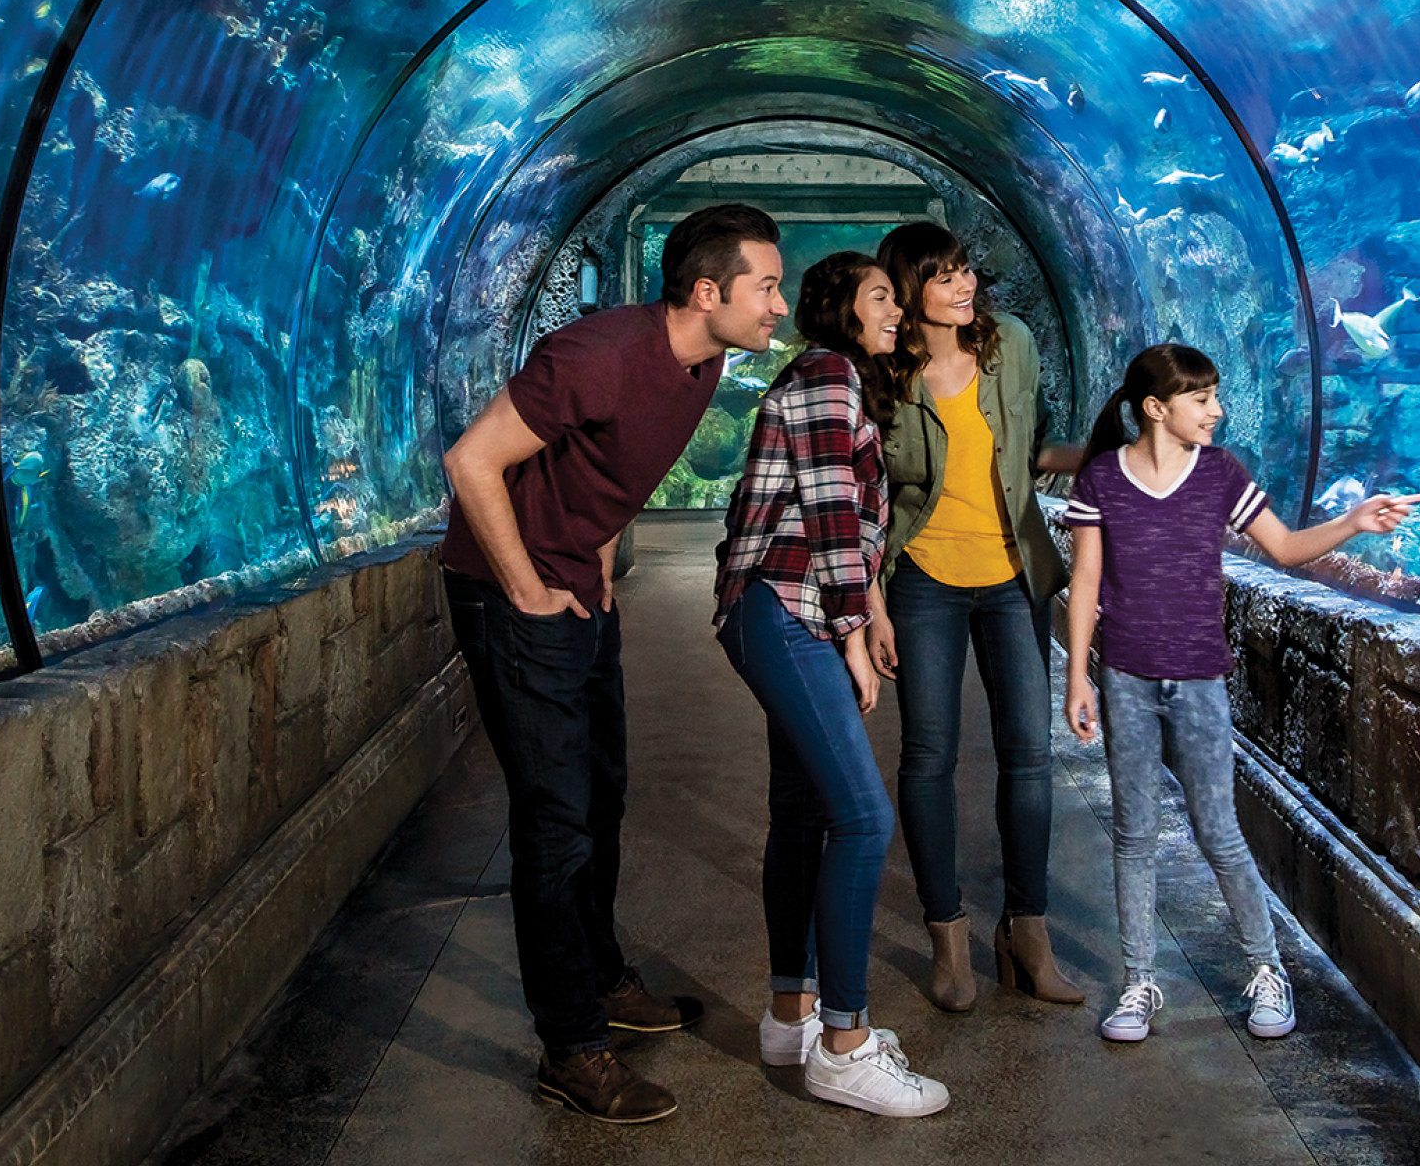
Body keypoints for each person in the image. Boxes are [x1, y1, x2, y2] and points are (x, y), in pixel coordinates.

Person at [439, 202, 788, 1125]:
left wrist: (596, 568)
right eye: (766, 285)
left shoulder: (706, 362)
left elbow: (606, 471)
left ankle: (602, 982)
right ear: (707, 290)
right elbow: (472, 461)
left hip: (575, 592)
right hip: (512, 594)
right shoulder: (594, 353)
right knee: (554, 819)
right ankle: (572, 1049)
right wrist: (526, 589)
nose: (779, 307)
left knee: (600, 795)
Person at [1062, 343, 1420, 1045]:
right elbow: (1085, 583)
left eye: (1216, 396)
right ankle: (1139, 981)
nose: (1217, 411)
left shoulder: (1222, 474)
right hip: (1126, 677)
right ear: (1157, 409)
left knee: (1218, 830)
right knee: (1133, 835)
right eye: (1202, 399)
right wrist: (1079, 674)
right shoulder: (1102, 479)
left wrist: (1355, 522)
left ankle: (1267, 969)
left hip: (1198, 678)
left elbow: (1283, 548)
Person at [712, 251, 951, 1119]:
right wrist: (855, 636)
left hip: (791, 607)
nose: (898, 310)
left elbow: (851, 528)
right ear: (841, 309)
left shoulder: (842, 379)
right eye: (882, 296)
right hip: (785, 610)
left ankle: (792, 1016)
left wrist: (866, 614)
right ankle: (846, 1048)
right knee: (861, 817)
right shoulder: (824, 373)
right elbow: (829, 513)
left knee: (805, 811)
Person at [865, 221, 1086, 1012]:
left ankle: (1027, 933)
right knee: (929, 757)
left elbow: (1027, 455)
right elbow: (870, 496)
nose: (966, 288)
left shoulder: (1012, 346)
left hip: (1014, 575)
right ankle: (948, 937)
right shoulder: (884, 374)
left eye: (967, 274)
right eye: (947, 278)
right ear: (911, 287)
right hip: (923, 575)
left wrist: (1112, 460)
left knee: (1029, 755)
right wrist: (870, 607)